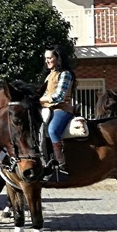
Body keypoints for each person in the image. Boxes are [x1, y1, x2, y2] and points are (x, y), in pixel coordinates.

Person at [39, 45, 76, 179]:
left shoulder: (65, 74)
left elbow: (59, 96)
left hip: (62, 109)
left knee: (53, 130)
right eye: (46, 58)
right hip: (48, 109)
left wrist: (40, 100)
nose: (47, 61)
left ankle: (62, 166)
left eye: (50, 58)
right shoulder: (49, 75)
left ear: (57, 58)